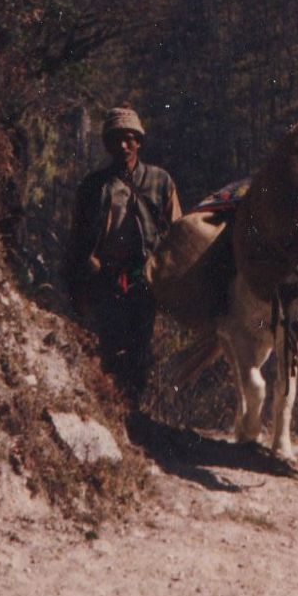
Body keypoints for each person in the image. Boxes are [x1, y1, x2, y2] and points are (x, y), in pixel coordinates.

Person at [69, 107, 181, 407]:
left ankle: (134, 412)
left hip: (145, 278)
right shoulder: (93, 187)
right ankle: (113, 411)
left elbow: (177, 233)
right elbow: (78, 240)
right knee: (107, 346)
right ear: (107, 144)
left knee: (140, 349)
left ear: (139, 142)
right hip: (105, 277)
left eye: (129, 139)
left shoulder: (160, 181)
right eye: (116, 139)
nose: (123, 146)